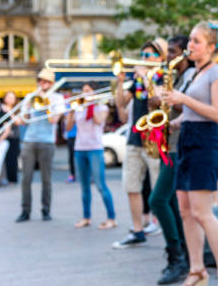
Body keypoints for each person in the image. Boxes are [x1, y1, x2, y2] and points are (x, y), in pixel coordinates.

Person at [162, 20, 218, 286]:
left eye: (195, 41)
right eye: (190, 40)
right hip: (187, 139)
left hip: (205, 142)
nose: (189, 46)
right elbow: (191, 113)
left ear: (210, 46)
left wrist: (183, 100)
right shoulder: (193, 73)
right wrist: (172, 121)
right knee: (185, 210)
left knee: (203, 212)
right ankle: (197, 270)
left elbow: (217, 113)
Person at [112, 38, 167, 248]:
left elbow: (157, 99)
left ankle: (164, 227)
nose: (143, 59)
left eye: (148, 56)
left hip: (154, 139)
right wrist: (119, 83)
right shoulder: (136, 81)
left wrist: (146, 77)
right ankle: (137, 230)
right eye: (142, 55)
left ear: (160, 58)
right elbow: (121, 107)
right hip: (134, 138)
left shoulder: (163, 77)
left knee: (157, 188)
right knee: (131, 185)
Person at [148, 35, 194, 284]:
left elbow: (189, 107)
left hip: (182, 146)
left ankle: (176, 257)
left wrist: (165, 100)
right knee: (174, 204)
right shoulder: (177, 77)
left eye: (173, 53)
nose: (169, 58)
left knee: (157, 200)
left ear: (185, 53)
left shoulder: (190, 77)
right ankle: (184, 255)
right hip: (172, 145)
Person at [65, 81, 116, 230]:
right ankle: (86, 217)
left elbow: (99, 120)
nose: (84, 93)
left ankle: (111, 218)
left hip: (95, 149)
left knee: (101, 185)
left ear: (95, 93)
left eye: (88, 90)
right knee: (84, 187)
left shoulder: (102, 107)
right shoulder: (78, 109)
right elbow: (68, 128)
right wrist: (72, 112)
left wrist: (91, 106)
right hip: (80, 149)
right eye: (83, 91)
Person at [16, 69, 65, 222]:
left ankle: (46, 210)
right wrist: (29, 107)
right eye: (40, 81)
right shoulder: (30, 97)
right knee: (26, 178)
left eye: (45, 81)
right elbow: (23, 121)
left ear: (51, 84)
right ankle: (25, 211)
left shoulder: (57, 98)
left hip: (47, 141)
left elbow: (54, 121)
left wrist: (46, 102)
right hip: (29, 140)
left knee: (46, 179)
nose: (42, 84)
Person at [1, 91, 20, 184]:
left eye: (12, 98)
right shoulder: (0, 108)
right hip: (2, 136)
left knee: (13, 158)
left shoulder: (16, 109)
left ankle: (12, 179)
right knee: (2, 159)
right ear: (4, 98)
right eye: (8, 97)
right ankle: (3, 179)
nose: (10, 99)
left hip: (14, 137)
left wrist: (9, 111)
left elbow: (18, 122)